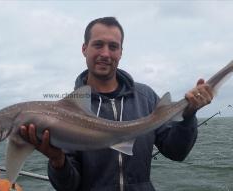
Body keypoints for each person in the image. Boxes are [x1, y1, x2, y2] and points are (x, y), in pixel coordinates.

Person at [20, 17, 213, 191]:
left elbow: (177, 152)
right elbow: (69, 186)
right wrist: (57, 161)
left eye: (113, 47)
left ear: (121, 52)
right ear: (84, 48)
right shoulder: (68, 110)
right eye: (98, 45)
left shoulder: (145, 97)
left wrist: (188, 116)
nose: (105, 53)